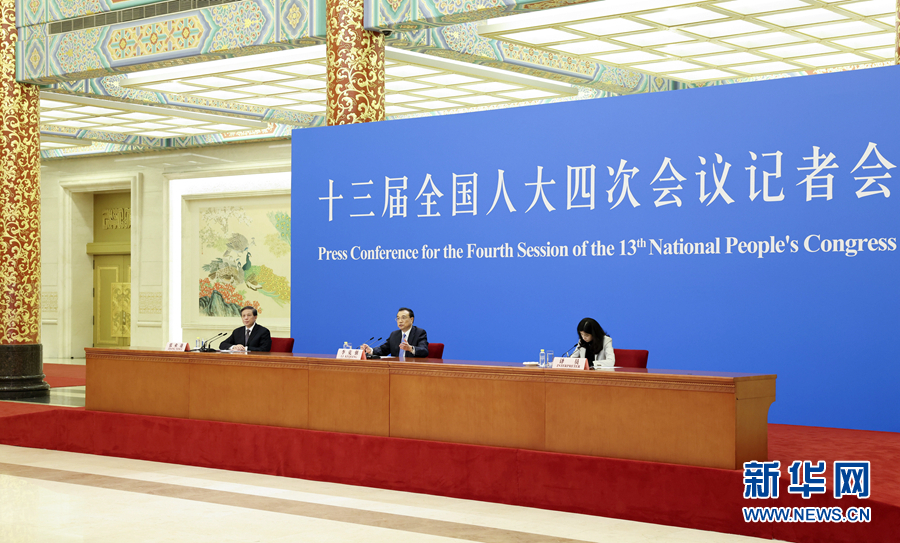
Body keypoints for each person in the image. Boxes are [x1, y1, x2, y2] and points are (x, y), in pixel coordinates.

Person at [363, 307, 428, 358]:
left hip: (412, 367)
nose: (400, 321)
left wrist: (410, 348)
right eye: (398, 318)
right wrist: (371, 350)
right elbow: (383, 350)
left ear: (411, 319)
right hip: (395, 367)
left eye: (403, 318)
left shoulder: (419, 333)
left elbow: (424, 351)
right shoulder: (394, 334)